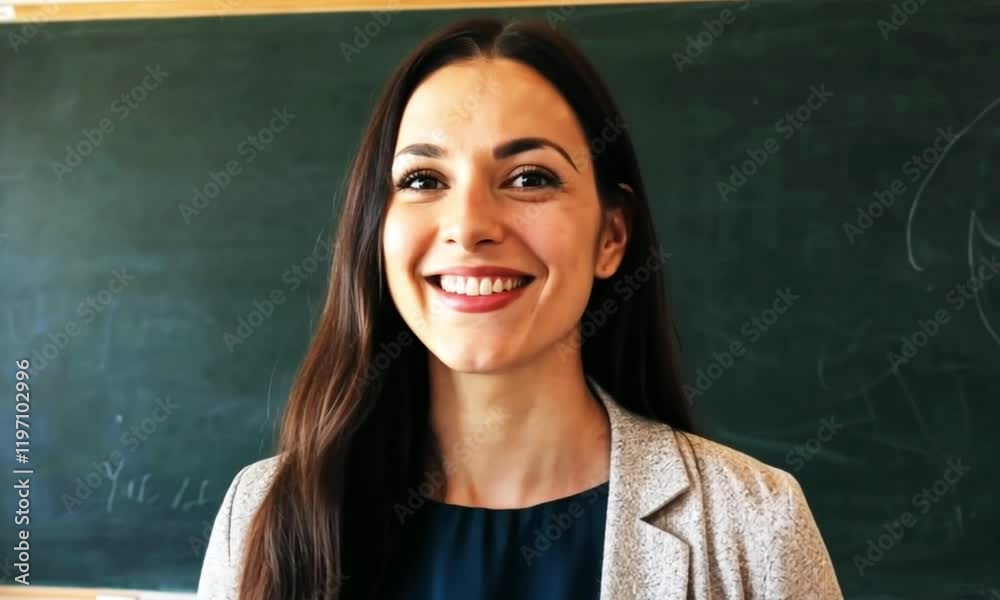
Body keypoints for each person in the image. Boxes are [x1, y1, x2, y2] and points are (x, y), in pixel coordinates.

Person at [196, 16, 843, 600]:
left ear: (611, 236)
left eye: (530, 177)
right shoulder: (262, 515)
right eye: (423, 180)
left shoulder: (756, 524)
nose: (469, 225)